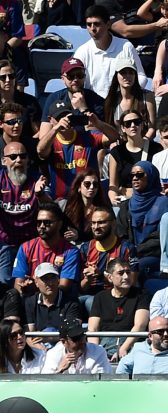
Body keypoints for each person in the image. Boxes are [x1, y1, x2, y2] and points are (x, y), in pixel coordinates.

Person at [37, 100, 117, 201]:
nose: (64, 120)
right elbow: (40, 150)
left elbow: (114, 137)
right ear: (50, 120)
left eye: (67, 116)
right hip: (60, 200)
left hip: (88, 199)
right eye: (59, 118)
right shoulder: (50, 142)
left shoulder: (89, 137)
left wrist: (99, 124)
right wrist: (55, 129)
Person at [0, 142, 49, 286]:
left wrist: (40, 195)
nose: (18, 160)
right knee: (3, 283)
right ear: (4, 161)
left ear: (28, 160)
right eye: (13, 156)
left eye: (23, 156)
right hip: (5, 243)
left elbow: (52, 209)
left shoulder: (37, 179)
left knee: (34, 283)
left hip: (31, 242)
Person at [74, 5, 148, 98]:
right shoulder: (82, 51)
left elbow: (141, 77)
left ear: (108, 24)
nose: (93, 29)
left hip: (121, 103)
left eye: (97, 24)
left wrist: (127, 96)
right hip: (93, 105)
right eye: (89, 24)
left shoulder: (125, 46)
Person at [115, 161, 168, 276]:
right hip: (130, 255)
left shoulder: (162, 202)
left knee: (137, 268)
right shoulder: (126, 206)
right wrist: (130, 250)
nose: (135, 178)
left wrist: (138, 250)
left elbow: (160, 237)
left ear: (151, 176)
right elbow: (120, 234)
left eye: (140, 175)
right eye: (132, 175)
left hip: (154, 254)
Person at [87, 258, 149, 360]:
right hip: (104, 343)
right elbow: (93, 329)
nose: (126, 276)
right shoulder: (100, 297)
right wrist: (96, 353)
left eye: (128, 272)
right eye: (120, 273)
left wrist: (123, 348)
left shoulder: (142, 295)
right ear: (110, 277)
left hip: (130, 342)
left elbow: (140, 325)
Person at [12, 202, 81, 295]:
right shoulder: (26, 247)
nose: (42, 226)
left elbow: (64, 287)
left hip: (58, 302)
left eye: (47, 222)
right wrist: (24, 288)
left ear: (60, 224)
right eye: (38, 222)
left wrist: (35, 288)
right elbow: (18, 284)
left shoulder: (71, 251)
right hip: (29, 299)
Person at [79, 206, 138, 300]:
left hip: (116, 296)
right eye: (93, 223)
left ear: (114, 224)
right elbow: (80, 288)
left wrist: (101, 275)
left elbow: (132, 283)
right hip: (89, 294)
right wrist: (87, 280)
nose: (96, 227)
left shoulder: (126, 248)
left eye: (101, 222)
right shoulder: (86, 248)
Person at [38, 58, 105, 140]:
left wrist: (84, 109)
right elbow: (43, 136)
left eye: (79, 75)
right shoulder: (54, 98)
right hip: (61, 145)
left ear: (84, 77)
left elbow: (97, 136)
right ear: (63, 78)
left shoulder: (95, 100)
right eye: (70, 76)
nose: (75, 80)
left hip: (87, 146)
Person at [108, 110, 163, 204]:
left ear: (142, 125)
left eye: (136, 122)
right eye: (128, 123)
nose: (133, 125)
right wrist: (113, 198)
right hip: (126, 201)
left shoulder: (156, 149)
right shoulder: (117, 152)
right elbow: (113, 185)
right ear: (123, 128)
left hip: (150, 200)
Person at [103, 58, 157, 138]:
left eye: (131, 73)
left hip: (144, 144)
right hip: (120, 146)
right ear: (116, 76)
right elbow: (108, 129)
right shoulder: (111, 100)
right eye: (123, 73)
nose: (127, 76)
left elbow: (152, 128)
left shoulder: (147, 96)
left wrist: (143, 143)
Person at [22, 262, 80, 333]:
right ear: (36, 282)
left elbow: (71, 333)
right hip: (37, 343)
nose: (50, 283)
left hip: (62, 343)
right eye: (45, 279)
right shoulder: (30, 302)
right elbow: (30, 334)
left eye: (53, 278)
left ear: (58, 280)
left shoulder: (71, 302)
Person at [42, 319, 113, 374]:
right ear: (64, 342)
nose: (82, 341)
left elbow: (101, 382)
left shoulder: (98, 352)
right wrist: (60, 370)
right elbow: (45, 386)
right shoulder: (53, 354)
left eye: (82, 336)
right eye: (76, 339)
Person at [63, 169, 112, 244]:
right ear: (79, 187)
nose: (92, 187)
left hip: (96, 247)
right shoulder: (68, 206)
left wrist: (79, 236)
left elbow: (105, 234)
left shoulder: (104, 209)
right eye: (87, 184)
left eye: (95, 184)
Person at [0, 60, 42, 142]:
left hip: (24, 148)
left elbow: (38, 131)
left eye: (11, 76)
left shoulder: (30, 101)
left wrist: (28, 145)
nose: (8, 80)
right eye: (3, 77)